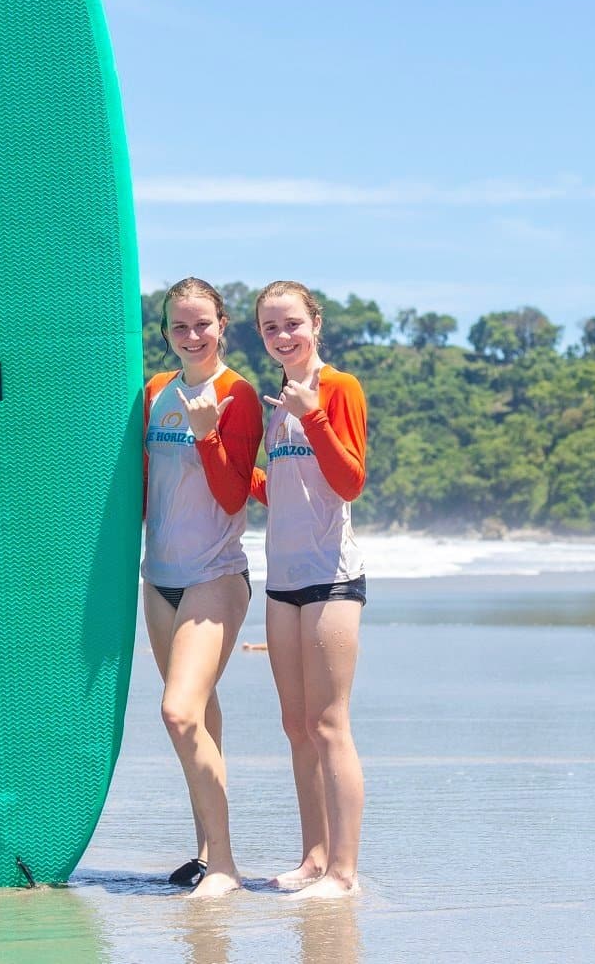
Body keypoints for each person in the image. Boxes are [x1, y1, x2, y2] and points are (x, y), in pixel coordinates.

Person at [142, 278, 263, 899]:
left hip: (215, 574)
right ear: (165, 333)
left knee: (178, 710)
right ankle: (204, 852)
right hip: (157, 578)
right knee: (201, 718)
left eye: (202, 325)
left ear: (223, 325)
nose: (192, 337)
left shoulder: (238, 395)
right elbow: (137, 488)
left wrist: (207, 433)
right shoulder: (156, 391)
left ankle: (225, 866)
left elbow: (233, 494)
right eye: (179, 327)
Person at [248, 280, 368, 900]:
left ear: (315, 323)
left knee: (329, 725)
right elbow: (288, 491)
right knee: (296, 725)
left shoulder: (337, 388)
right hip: (283, 579)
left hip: (331, 578)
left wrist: (311, 413)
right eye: (270, 328)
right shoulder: (278, 403)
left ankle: (344, 873)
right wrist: (237, 465)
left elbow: (349, 482)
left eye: (292, 323)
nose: (283, 336)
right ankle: (314, 858)